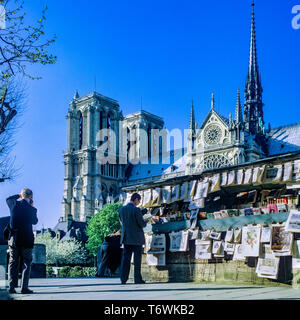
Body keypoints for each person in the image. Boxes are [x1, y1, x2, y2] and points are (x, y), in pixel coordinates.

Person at [6, 189, 38, 294]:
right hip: (27, 239)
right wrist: (32, 206)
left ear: (22, 195)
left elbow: (8, 198)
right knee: (26, 263)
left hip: (14, 238)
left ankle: (11, 287)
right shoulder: (32, 209)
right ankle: (24, 288)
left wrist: (19, 195)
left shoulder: (14, 203)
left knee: (12, 262)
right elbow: (35, 221)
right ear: (31, 198)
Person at [119, 193, 150, 285]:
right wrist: (146, 221)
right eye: (139, 201)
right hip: (136, 238)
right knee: (137, 260)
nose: (138, 203)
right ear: (136, 199)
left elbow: (122, 222)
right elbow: (141, 224)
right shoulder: (136, 210)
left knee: (126, 259)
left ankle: (123, 279)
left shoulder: (121, 209)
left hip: (126, 237)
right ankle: (137, 279)